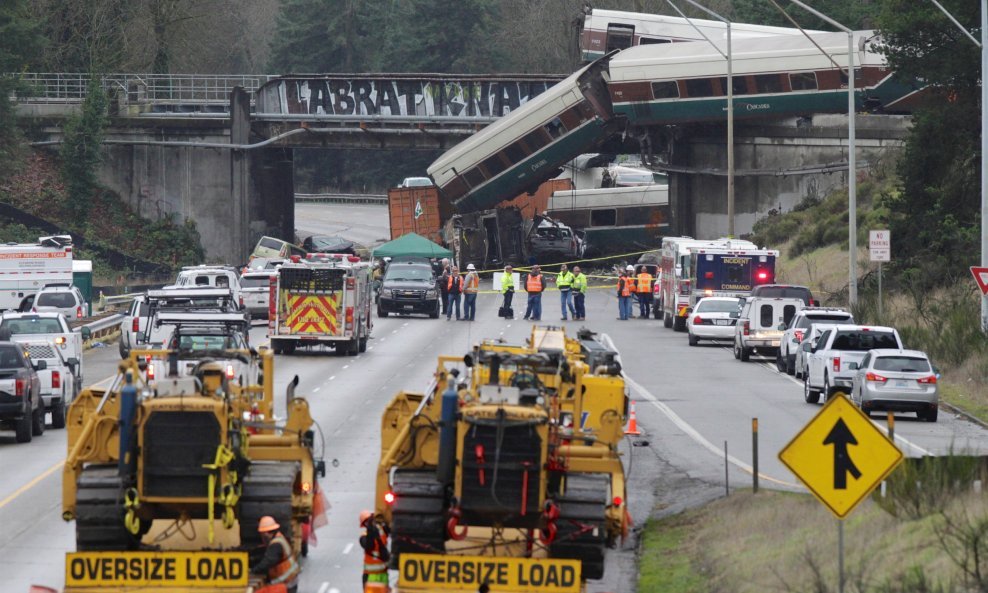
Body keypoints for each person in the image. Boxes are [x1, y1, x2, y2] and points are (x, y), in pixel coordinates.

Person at [251, 516, 300, 593]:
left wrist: (254, 571)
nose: (262, 538)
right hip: (291, 581)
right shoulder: (279, 538)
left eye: (262, 534)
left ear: (266, 533)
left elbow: (267, 562)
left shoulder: (276, 545)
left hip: (286, 584)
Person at [359, 510, 390, 591]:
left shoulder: (382, 530)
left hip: (383, 574)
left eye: (371, 520)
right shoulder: (363, 537)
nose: (370, 523)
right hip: (370, 576)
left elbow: (390, 525)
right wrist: (371, 532)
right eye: (367, 522)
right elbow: (369, 545)